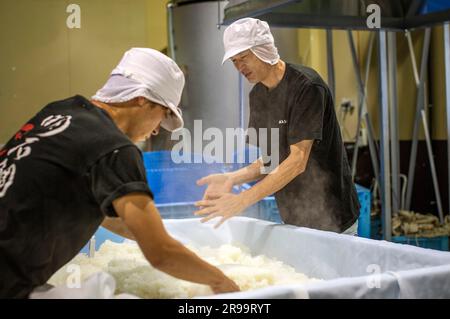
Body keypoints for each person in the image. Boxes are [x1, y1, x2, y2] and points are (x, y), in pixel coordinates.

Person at [0, 48, 239, 298]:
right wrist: (222, 282)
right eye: (163, 114)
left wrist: (153, 235)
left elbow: (81, 202)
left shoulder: (60, 112)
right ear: (141, 98)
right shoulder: (114, 148)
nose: (158, 130)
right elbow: (160, 254)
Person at [195, 18, 360, 235]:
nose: (239, 67)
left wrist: (241, 200)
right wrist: (232, 178)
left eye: (243, 57)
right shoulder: (258, 95)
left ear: (264, 50)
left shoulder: (307, 87)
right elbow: (271, 160)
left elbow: (296, 161)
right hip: (293, 219)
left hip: (332, 218)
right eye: (234, 61)